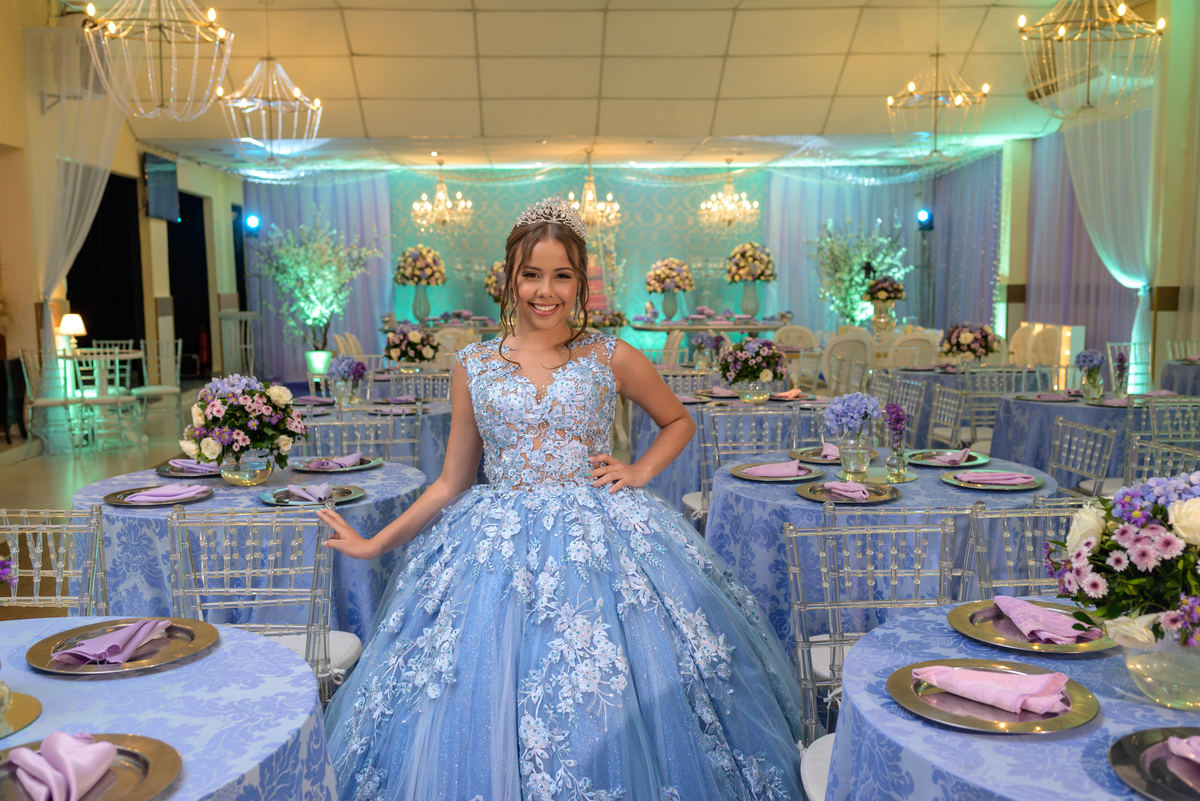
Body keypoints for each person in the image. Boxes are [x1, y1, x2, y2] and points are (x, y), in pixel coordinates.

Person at [319, 196, 805, 801]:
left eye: (561, 275)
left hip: (600, 537)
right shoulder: (473, 363)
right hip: (494, 549)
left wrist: (638, 470)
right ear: (509, 278)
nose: (544, 291)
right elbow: (451, 480)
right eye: (531, 274)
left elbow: (678, 420)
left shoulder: (611, 354)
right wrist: (373, 544)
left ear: (580, 282)